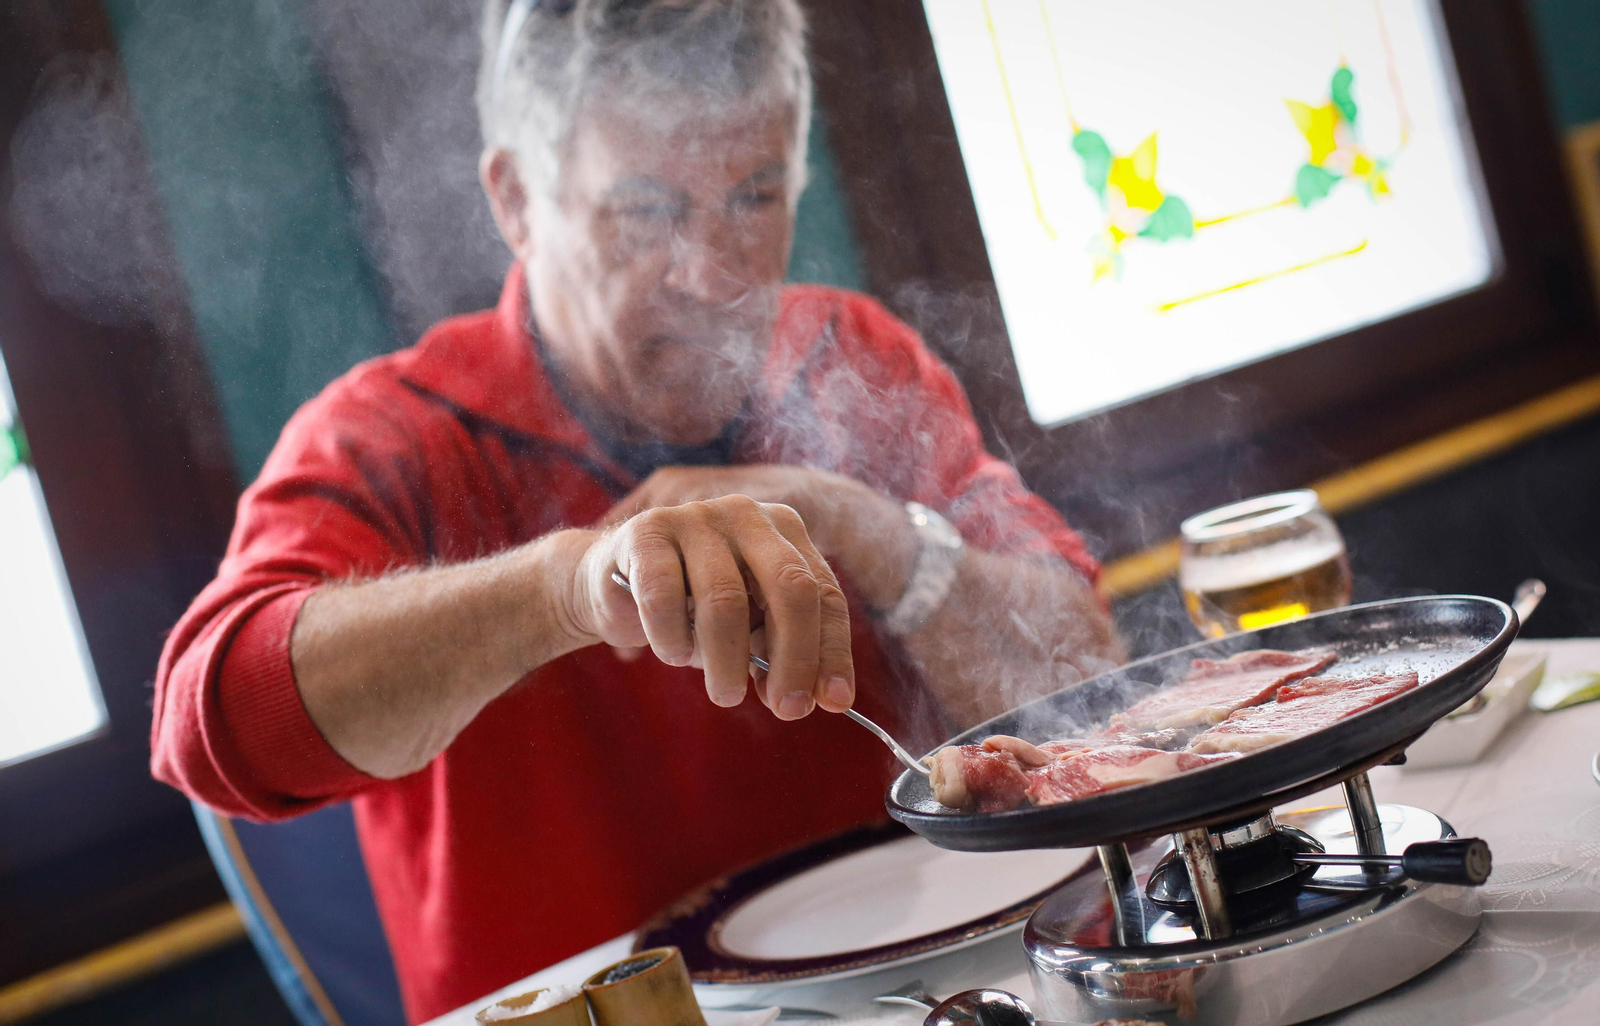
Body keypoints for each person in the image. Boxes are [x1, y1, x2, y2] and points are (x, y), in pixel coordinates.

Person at [151, 0, 1123, 1020]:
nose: (714, 276)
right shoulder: (392, 438)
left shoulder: (852, 358)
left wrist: (862, 531)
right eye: (647, 211)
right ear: (518, 200)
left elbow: (1083, 682)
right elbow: (208, 728)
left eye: (754, 198)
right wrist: (566, 586)